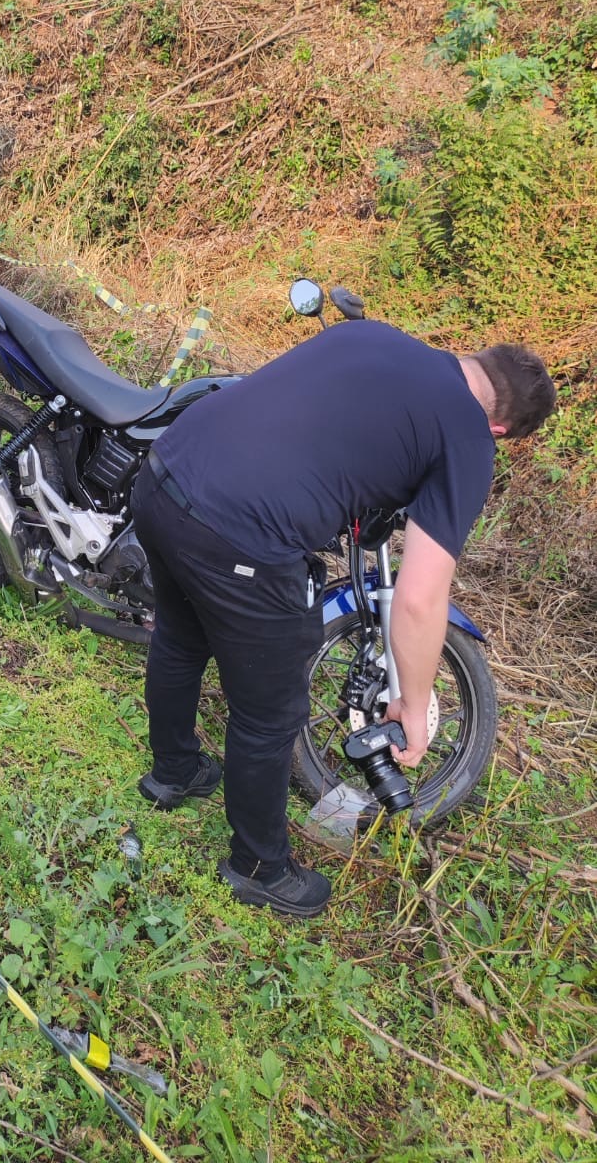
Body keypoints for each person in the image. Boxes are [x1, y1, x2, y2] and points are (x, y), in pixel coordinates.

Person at [131, 316, 555, 918]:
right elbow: (419, 596)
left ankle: (174, 773)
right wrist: (413, 698)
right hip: (238, 533)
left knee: (180, 637)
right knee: (271, 711)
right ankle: (258, 867)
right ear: (500, 427)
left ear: (479, 361)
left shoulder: (377, 336)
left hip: (165, 471)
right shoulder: (469, 437)